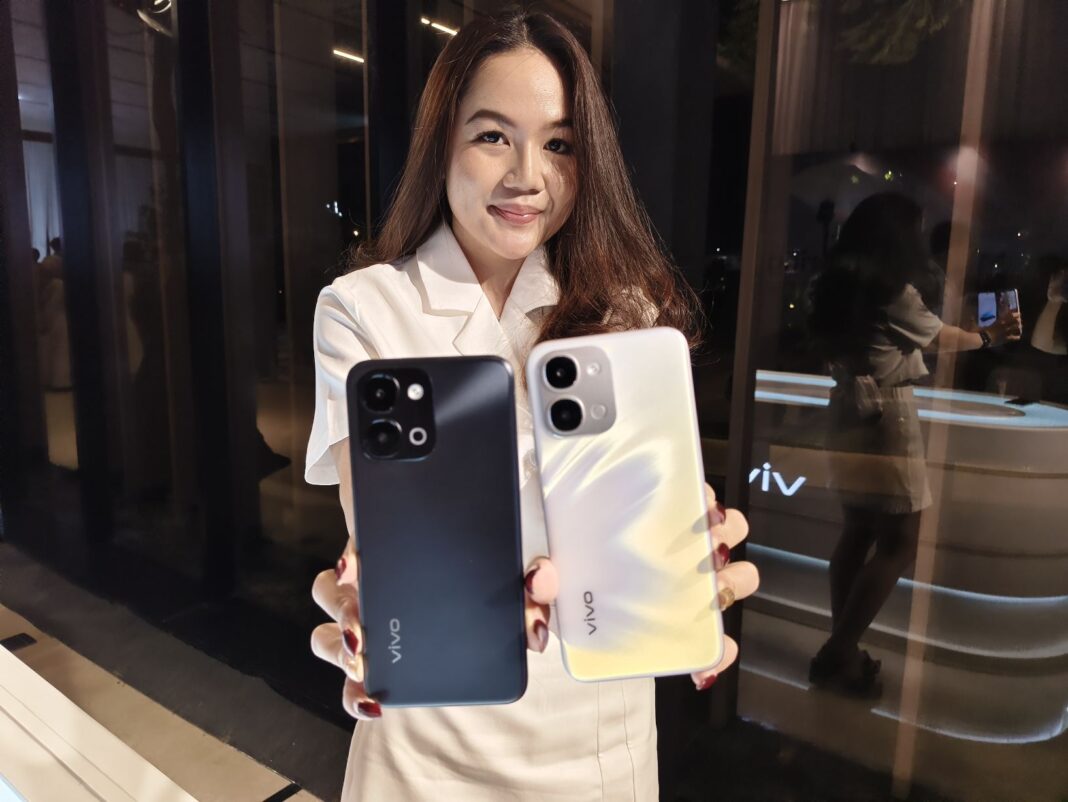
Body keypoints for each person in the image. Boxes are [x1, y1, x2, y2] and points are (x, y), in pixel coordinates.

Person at [304, 9, 758, 800]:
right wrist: (363, 586)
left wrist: (688, 548)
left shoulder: (624, 315)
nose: (528, 176)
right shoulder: (364, 308)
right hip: (427, 749)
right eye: (492, 136)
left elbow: (646, 521)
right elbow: (375, 526)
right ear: (441, 143)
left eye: (559, 144)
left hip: (599, 750)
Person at [807, 193, 1020, 697]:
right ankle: (838, 652)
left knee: (857, 532)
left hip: (846, 410)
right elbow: (939, 337)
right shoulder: (892, 291)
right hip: (886, 414)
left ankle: (844, 653)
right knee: (901, 541)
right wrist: (989, 337)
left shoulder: (832, 285)